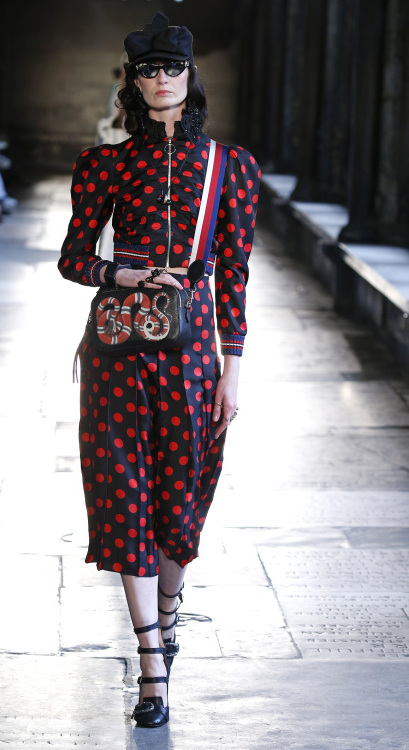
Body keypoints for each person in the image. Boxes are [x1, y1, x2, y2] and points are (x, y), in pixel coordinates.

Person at [58, 12, 260, 728]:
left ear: (190, 76)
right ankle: (151, 665)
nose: (161, 80)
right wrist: (121, 272)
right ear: (132, 82)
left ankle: (168, 614)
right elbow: (72, 259)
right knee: (122, 495)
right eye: (147, 70)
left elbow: (232, 273)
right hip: (117, 352)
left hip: (193, 355)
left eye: (172, 68)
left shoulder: (230, 167)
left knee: (180, 497)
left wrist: (233, 369)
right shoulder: (105, 164)